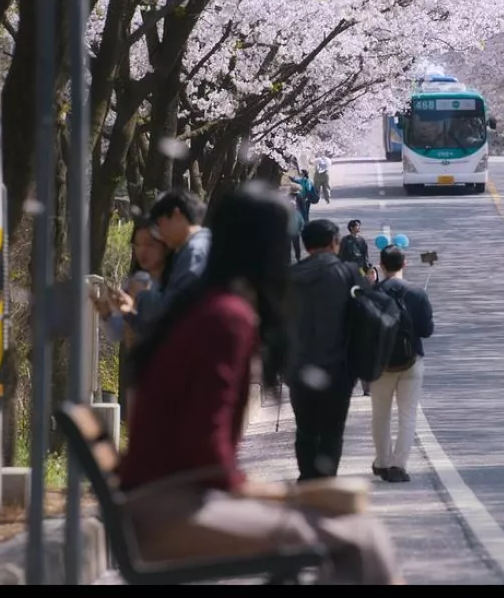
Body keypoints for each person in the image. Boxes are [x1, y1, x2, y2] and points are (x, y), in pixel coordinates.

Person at [119, 181, 401, 584]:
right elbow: (205, 448)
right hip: (173, 509)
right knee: (358, 538)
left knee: (346, 527)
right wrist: (283, 495)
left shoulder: (202, 303)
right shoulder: (227, 319)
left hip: (158, 500)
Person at [289, 219, 369, 481]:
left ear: (305, 244)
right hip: (339, 368)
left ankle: (307, 477)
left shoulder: (289, 276)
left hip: (299, 368)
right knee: (333, 430)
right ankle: (325, 482)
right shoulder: (348, 274)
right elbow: (366, 318)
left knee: (305, 428)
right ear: (335, 242)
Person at [91, 216, 175, 421]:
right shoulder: (136, 282)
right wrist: (106, 313)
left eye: (150, 244)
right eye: (137, 244)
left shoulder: (176, 282)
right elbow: (117, 332)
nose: (143, 251)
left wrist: (132, 311)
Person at [372, 246, 434, 483]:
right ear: (405, 264)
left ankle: (383, 462)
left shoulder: (373, 292)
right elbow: (427, 331)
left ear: (381, 264)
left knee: (380, 415)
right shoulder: (417, 293)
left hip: (382, 364)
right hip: (412, 360)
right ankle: (399, 465)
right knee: (408, 414)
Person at [122, 188, 211, 336]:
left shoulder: (194, 252)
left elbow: (174, 310)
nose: (160, 234)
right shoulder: (198, 247)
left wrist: (140, 294)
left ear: (176, 215)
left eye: (160, 224)